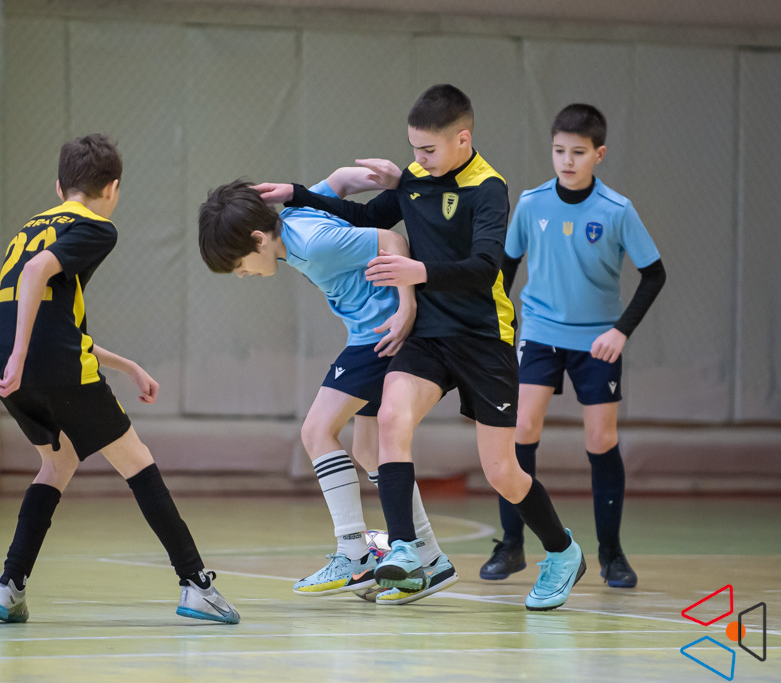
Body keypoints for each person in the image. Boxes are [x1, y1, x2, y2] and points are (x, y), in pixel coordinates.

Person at [256, 84, 585, 611]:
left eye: (428, 149)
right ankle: (407, 550)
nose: (417, 159)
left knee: (502, 472)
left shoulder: (488, 189)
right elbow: (367, 218)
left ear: (463, 139)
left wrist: (418, 272)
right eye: (413, 148)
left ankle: (563, 552)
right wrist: (297, 194)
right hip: (428, 335)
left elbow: (485, 269)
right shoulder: (416, 177)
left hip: (483, 338)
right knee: (390, 419)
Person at [0, 134, 239, 624]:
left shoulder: (31, 227)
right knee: (137, 462)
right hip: (29, 357)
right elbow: (36, 275)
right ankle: (196, 585)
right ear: (113, 188)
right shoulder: (97, 227)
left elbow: (49, 321)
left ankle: (9, 586)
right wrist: (22, 357)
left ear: (59, 187)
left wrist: (127, 366)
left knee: (57, 463)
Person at [197, 167, 458, 605]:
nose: (242, 275)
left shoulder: (314, 245)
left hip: (380, 336)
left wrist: (407, 307)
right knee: (368, 451)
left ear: (258, 239)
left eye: (239, 266)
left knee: (317, 430)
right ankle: (431, 559)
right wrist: (377, 177)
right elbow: (339, 181)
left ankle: (354, 552)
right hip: (371, 334)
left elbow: (392, 241)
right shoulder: (295, 216)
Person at [480, 104, 666, 588]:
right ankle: (512, 544)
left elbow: (654, 274)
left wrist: (620, 330)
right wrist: (500, 327)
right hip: (540, 333)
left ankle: (611, 554)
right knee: (520, 431)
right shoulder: (531, 203)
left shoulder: (617, 210)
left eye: (578, 152)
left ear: (598, 155)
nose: (567, 160)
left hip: (596, 340)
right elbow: (504, 269)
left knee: (601, 440)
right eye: (559, 150)